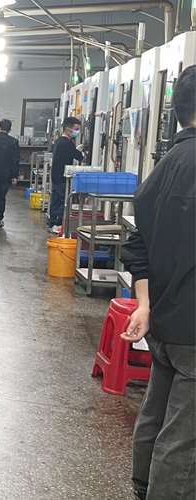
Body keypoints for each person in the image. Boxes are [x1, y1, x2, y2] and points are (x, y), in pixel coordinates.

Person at [120, 64, 196, 500]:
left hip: (164, 318)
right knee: (186, 438)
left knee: (157, 408)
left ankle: (143, 484)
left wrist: (145, 306)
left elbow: (138, 241)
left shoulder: (166, 164)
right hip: (192, 323)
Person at [48, 116, 85, 233]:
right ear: (68, 129)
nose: (77, 132)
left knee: (56, 200)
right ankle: (56, 224)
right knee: (60, 201)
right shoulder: (67, 143)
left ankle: (53, 223)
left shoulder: (59, 141)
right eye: (76, 129)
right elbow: (78, 157)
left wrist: (76, 149)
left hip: (56, 175)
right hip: (62, 177)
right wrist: (80, 152)